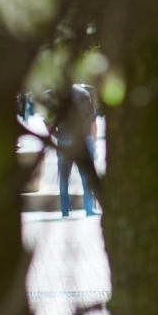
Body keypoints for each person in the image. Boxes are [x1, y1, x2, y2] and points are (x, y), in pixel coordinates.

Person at [57, 84, 97, 217]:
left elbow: (49, 121)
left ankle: (64, 210)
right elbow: (92, 121)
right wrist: (93, 141)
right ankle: (89, 209)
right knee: (86, 176)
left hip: (63, 140)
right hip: (82, 140)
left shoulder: (57, 95)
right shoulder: (84, 94)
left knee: (63, 178)